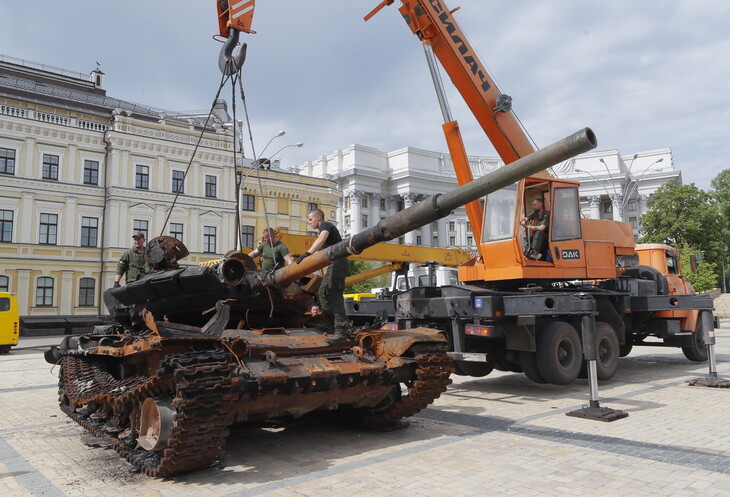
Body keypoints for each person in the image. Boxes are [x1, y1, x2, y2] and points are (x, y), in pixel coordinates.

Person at [297, 208, 349, 343]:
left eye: (310, 219)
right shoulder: (327, 236)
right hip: (334, 265)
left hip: (338, 264)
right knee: (323, 293)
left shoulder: (326, 226)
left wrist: (306, 254)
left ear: (318, 218)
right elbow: (318, 254)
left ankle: (341, 331)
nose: (309, 222)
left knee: (334, 296)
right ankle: (331, 325)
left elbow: (320, 240)